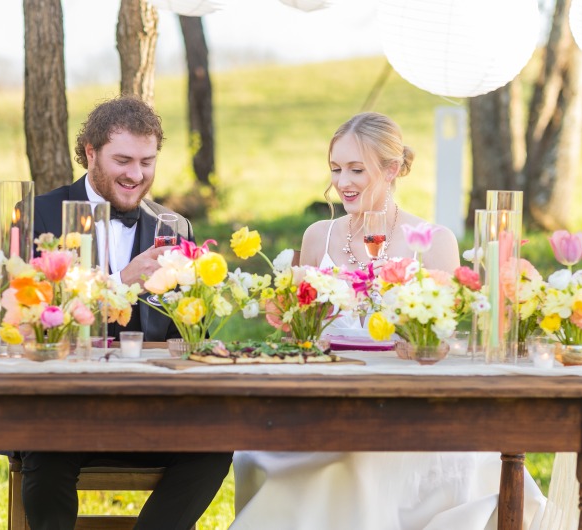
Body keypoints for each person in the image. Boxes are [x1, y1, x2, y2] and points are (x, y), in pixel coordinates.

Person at [230, 112, 545, 530]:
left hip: (411, 411)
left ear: (393, 169)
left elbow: (447, 348)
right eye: (337, 169)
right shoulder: (317, 236)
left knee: (359, 461)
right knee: (252, 451)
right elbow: (300, 332)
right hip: (323, 404)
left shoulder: (433, 241)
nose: (344, 182)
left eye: (357, 170)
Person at [21, 95, 232, 530]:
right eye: (123, 159)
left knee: (215, 448)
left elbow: (187, 332)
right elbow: (28, 323)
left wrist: (203, 341)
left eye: (147, 162)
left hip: (149, 413)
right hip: (59, 413)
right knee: (45, 455)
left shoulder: (172, 227)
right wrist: (123, 283)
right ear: (90, 153)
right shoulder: (38, 215)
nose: (136, 175)